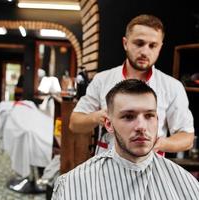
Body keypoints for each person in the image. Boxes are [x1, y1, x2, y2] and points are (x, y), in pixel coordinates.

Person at [52, 79, 199, 200]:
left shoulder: (186, 183)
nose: (141, 126)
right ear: (109, 124)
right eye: (128, 116)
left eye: (149, 116)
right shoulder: (73, 185)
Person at [70, 14, 194, 155]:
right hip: (106, 168)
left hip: (150, 169)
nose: (145, 51)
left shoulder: (172, 87)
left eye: (152, 45)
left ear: (160, 47)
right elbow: (75, 123)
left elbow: (187, 138)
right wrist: (96, 116)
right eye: (139, 43)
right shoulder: (102, 79)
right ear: (125, 43)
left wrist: (158, 143)